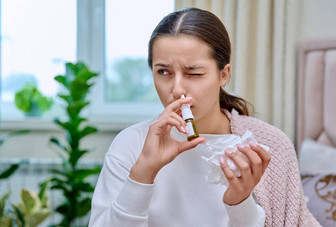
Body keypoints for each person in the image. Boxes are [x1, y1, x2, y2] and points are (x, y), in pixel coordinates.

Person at [89, 7, 320, 227]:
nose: (177, 89)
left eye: (194, 73)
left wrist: (239, 202)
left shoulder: (268, 147)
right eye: (163, 72)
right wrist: (143, 173)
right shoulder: (130, 144)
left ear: (223, 74)